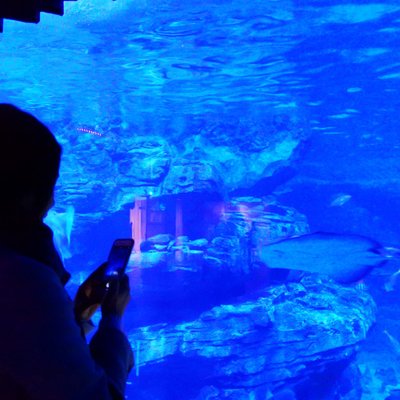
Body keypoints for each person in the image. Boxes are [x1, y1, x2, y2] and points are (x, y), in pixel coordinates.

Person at [0, 104, 133, 399]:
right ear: (30, 196)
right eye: (50, 185)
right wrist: (112, 320)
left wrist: (76, 314)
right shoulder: (23, 282)